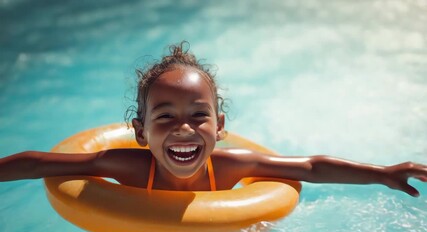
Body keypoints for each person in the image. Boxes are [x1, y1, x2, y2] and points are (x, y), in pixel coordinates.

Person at [1, 42, 426, 196]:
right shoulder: (126, 166)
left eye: (199, 116)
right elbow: (40, 164)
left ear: (219, 127)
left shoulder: (229, 167)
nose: (184, 128)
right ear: (141, 133)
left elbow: (310, 168)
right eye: (165, 116)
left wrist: (383, 174)